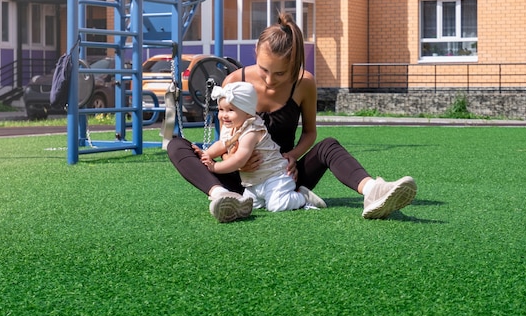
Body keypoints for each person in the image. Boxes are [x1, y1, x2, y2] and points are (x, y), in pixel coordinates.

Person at [168, 12, 417, 223]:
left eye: (280, 73)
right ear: (255, 51)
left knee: (328, 145)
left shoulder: (304, 83)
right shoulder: (235, 82)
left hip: (285, 177)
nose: (269, 79)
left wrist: (292, 157)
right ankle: (223, 196)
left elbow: (310, 133)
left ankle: (373, 191)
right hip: (240, 176)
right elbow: (226, 136)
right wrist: (236, 160)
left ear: (295, 64)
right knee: (177, 144)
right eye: (264, 70)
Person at [200, 81, 327, 217]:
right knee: (248, 204)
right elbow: (221, 144)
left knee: (276, 206)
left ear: (248, 113)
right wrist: (206, 153)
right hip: (253, 181)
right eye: (221, 109)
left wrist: (215, 167)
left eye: (231, 110)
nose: (224, 115)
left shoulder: (251, 131)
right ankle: (265, 198)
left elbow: (239, 160)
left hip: (275, 176)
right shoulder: (231, 127)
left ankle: (303, 197)